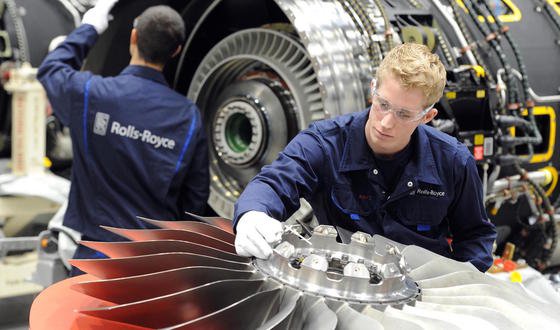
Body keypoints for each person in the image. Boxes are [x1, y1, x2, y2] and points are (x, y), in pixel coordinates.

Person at [233, 43, 496, 272]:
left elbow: (475, 236)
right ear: (373, 90)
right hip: (346, 285)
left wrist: (457, 288)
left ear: (427, 116)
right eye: (382, 104)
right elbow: (273, 184)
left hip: (424, 294)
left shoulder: (453, 161)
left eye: (404, 114)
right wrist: (252, 214)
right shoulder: (325, 144)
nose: (386, 122)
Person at [38, 1, 209, 272]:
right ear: (176, 51)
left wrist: (90, 27)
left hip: (95, 258)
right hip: (153, 265)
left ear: (133, 37)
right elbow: (195, 200)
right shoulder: (189, 117)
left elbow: (51, 69)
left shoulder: (91, 94)